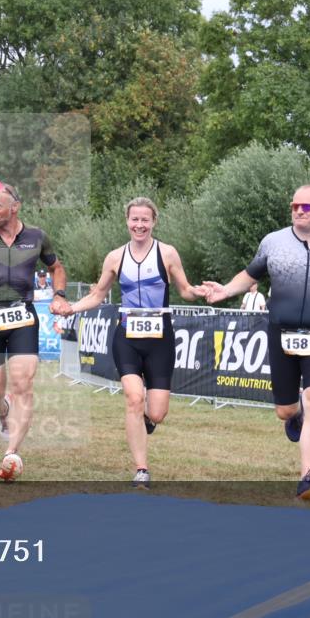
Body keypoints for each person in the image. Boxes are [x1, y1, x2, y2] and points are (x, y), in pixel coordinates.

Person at [203, 184, 310, 501]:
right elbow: (250, 275)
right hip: (281, 333)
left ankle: (307, 479)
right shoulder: (273, 242)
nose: (297, 211)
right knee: (285, 410)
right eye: (294, 206)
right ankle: (295, 416)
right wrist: (224, 291)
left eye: (305, 207)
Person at [66, 197, 206, 488]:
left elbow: (184, 289)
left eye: (145, 220)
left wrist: (202, 292)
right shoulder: (115, 257)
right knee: (133, 398)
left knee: (156, 412)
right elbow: (97, 294)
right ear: (127, 221)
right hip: (127, 337)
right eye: (134, 219)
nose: (139, 225)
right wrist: (71, 308)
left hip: (160, 340)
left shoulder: (167, 254)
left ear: (154, 221)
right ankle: (141, 469)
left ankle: (148, 421)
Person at [0, 180, 71, 482]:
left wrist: (59, 295)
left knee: (24, 383)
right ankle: (1, 408)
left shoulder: (36, 237)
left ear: (14, 208)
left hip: (22, 314)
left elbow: (57, 268)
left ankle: (12, 453)